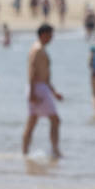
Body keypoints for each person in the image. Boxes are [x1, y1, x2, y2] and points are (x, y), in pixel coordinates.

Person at [23, 23, 64, 159]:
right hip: (37, 87)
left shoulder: (40, 49)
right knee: (55, 119)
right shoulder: (37, 49)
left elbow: (44, 75)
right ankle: (55, 150)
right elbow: (32, 70)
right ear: (43, 34)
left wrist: (53, 91)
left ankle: (25, 152)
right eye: (50, 35)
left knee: (33, 121)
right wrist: (32, 92)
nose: (51, 38)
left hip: (40, 87)